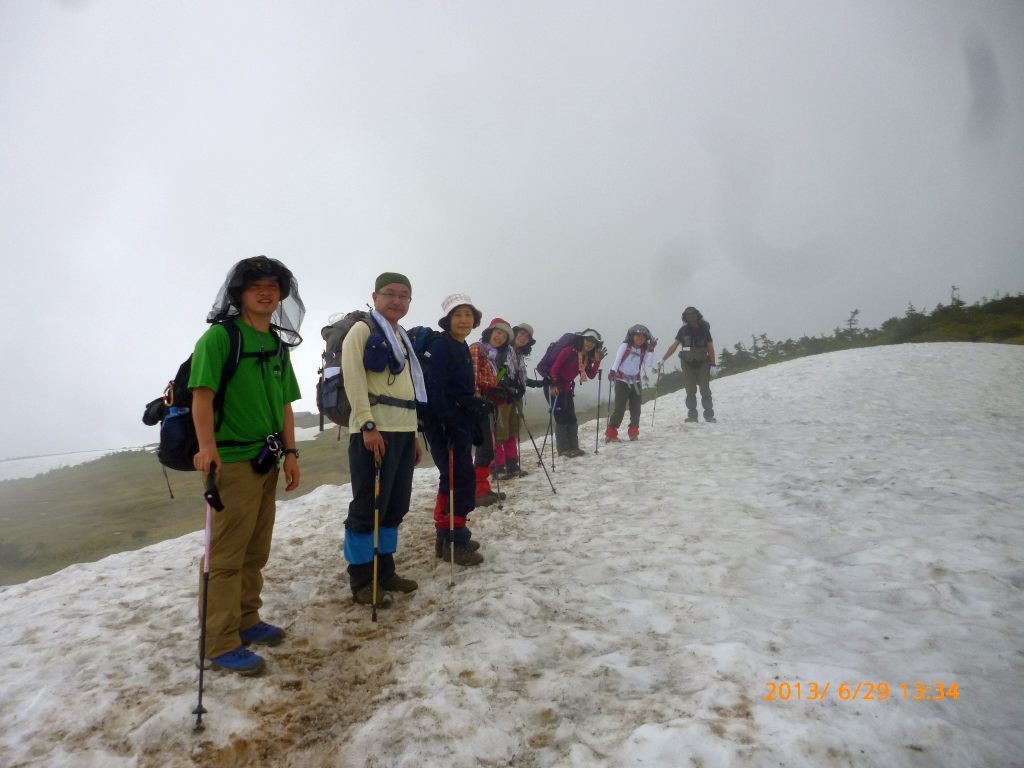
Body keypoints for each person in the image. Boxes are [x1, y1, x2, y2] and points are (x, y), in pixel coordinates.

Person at [189, 256, 304, 675]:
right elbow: (200, 395)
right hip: (231, 461)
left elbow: (285, 404)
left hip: (267, 459)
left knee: (256, 548)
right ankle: (219, 641)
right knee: (225, 555)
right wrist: (207, 448)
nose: (265, 292)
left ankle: (247, 620)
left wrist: (291, 454)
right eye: (255, 285)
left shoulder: (276, 342)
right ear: (239, 293)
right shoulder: (221, 339)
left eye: (273, 286)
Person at [341, 272, 426, 606]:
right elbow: (354, 379)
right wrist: (366, 425)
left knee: (394, 505)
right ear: (375, 297)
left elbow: (408, 391)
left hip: (403, 431)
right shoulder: (362, 330)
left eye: (404, 295)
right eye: (390, 293)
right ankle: (362, 579)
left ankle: (385, 571)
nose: (397, 300)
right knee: (367, 506)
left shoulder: (400, 335)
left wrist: (414, 433)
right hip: (374, 430)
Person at [424, 294, 486, 566]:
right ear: (448, 319)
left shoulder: (461, 346)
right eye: (458, 314)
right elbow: (433, 386)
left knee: (452, 477)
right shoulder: (441, 346)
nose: (463, 320)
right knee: (458, 478)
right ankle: (454, 541)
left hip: (460, 419)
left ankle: (446, 536)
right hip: (445, 421)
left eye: (468, 315)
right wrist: (444, 420)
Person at [469, 318, 513, 505]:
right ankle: (477, 491)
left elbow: (490, 382)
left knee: (487, 448)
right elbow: (472, 377)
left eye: (504, 336)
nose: (501, 337)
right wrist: (478, 400)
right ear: (489, 332)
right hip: (477, 406)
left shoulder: (493, 356)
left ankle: (483, 488)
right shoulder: (477, 348)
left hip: (486, 406)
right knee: (485, 448)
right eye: (498, 332)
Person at [549, 329, 605, 457]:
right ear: (582, 339)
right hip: (555, 386)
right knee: (561, 418)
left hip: (567, 388)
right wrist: (553, 385)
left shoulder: (585, 357)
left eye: (593, 342)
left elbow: (590, 375)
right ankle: (563, 449)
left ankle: (573, 447)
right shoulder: (569, 351)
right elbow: (555, 368)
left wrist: (597, 360)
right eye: (588, 340)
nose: (590, 343)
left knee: (571, 418)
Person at [494, 322, 539, 478]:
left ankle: (512, 465)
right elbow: (496, 371)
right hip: (501, 396)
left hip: (514, 397)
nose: (523, 337)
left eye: (526, 337)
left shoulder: (519, 355)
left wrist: (540, 383)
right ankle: (497, 468)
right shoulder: (503, 350)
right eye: (521, 333)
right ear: (515, 333)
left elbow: (523, 378)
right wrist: (507, 386)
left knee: (513, 430)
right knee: (501, 431)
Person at [659, 306, 717, 423]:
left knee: (705, 389)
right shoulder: (683, 330)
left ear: (697, 315)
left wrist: (713, 364)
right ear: (685, 317)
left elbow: (710, 347)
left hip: (703, 363)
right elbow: (674, 346)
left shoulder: (704, 330)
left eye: (693, 314)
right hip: (687, 363)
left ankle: (709, 415)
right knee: (690, 390)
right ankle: (692, 416)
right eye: (688, 315)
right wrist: (663, 359)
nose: (691, 317)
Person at [606, 324, 656, 442]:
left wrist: (651, 350)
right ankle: (611, 434)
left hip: (636, 382)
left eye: (643, 337)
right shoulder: (625, 346)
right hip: (621, 382)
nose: (640, 338)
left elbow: (649, 363)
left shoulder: (644, 350)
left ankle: (633, 433)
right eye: (637, 336)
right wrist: (613, 370)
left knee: (636, 409)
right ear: (632, 336)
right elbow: (617, 360)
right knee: (619, 409)